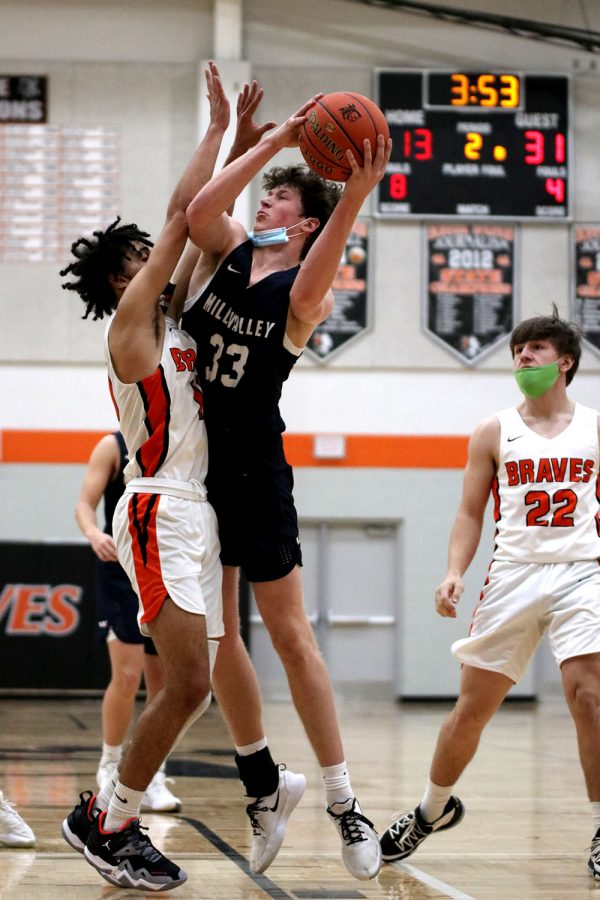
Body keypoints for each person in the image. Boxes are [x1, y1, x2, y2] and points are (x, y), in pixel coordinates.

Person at [169, 97, 392, 881]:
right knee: (219, 639)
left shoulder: (303, 293)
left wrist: (353, 197)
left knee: (292, 639)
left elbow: (317, 275)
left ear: (305, 224)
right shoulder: (227, 248)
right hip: (193, 470)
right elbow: (200, 207)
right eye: (267, 193)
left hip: (255, 472)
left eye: (283, 197)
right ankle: (263, 784)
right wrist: (277, 145)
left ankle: (344, 802)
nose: (266, 200)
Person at [58, 62, 261, 892]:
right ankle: (109, 822)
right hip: (155, 510)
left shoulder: (172, 321)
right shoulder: (131, 331)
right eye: (142, 256)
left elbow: (197, 220)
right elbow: (185, 215)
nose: (161, 257)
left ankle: (108, 814)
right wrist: (221, 133)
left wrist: (241, 147)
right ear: (121, 277)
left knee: (195, 689)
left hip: (193, 510)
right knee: (185, 683)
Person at [379, 309, 600, 882]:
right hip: (514, 574)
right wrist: (455, 571)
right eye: (518, 351)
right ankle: (430, 811)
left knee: (589, 697)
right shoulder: (493, 430)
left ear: (565, 362)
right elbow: (469, 512)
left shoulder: (595, 428)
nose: (523, 358)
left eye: (536, 350)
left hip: (583, 570)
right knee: (471, 712)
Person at [76, 430, 180, 812]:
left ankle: (153, 774)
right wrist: (92, 534)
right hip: (119, 571)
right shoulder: (112, 446)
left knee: (165, 682)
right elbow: (84, 505)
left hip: (164, 567)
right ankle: (109, 763)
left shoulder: (179, 441)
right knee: (126, 674)